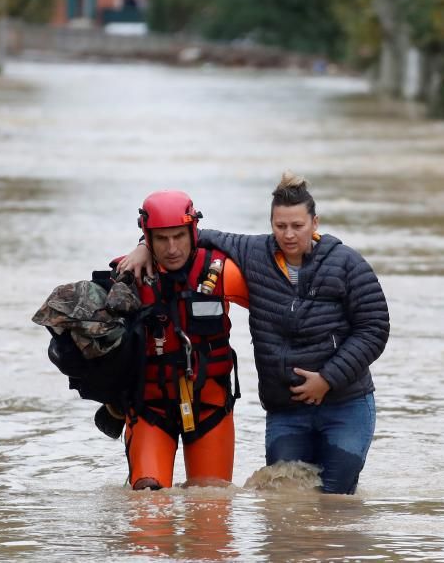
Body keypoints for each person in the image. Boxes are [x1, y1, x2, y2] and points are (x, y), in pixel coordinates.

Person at [118, 172, 390, 494]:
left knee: (334, 499)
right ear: (271, 224)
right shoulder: (253, 253)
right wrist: (141, 247)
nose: (288, 234)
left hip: (342, 401)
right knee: (283, 504)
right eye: (280, 226)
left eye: (298, 226)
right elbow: (190, 236)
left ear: (314, 223)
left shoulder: (347, 263)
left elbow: (374, 328)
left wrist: (328, 378)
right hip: (282, 408)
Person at [109, 189, 248, 490]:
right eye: (161, 239)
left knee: (211, 512)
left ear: (193, 231)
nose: (172, 248)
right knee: (148, 510)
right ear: (147, 237)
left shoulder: (223, 272)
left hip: (210, 408)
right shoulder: (126, 276)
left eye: (179, 236)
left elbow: (284, 309)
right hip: (150, 409)